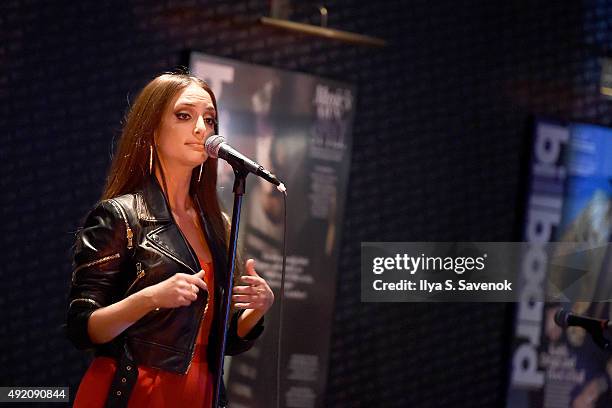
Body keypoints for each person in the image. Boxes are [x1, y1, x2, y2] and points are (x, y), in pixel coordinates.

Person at [66, 72, 274, 408]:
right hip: (136, 389)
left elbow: (224, 341)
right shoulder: (120, 215)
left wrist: (255, 310)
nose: (201, 129)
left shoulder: (217, 224)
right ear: (152, 127)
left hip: (202, 393)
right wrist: (149, 298)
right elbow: (82, 328)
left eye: (209, 119)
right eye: (184, 116)